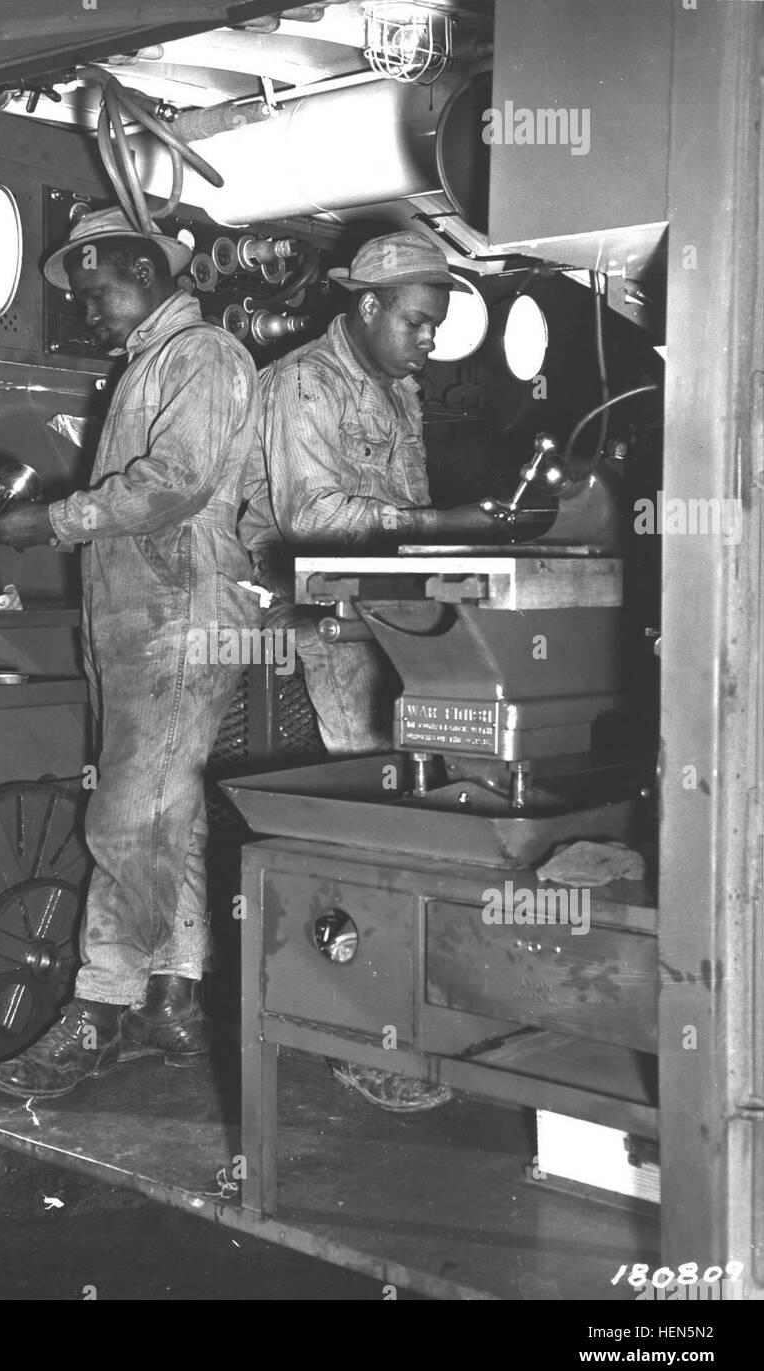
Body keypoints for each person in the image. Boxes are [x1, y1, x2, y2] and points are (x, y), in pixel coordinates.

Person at [0, 207, 260, 1099]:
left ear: (143, 271)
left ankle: (97, 1013)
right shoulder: (150, 364)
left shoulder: (202, 355)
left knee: (127, 819)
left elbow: (172, 484)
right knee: (164, 811)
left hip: (180, 618)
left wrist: (50, 521)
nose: (87, 311)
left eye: (95, 292)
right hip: (148, 618)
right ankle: (173, 998)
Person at [241, 229, 504, 1112]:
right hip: (316, 611)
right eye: (419, 322)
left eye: (433, 325)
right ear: (365, 306)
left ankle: (423, 998)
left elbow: (410, 517)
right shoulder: (303, 385)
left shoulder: (398, 390)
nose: (428, 339)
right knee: (376, 802)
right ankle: (362, 1025)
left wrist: (464, 535)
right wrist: (454, 523)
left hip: (383, 611)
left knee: (427, 790)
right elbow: (313, 520)